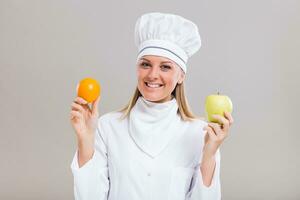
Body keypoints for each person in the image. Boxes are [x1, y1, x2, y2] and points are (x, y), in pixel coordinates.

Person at [69, 12, 234, 200]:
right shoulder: (108, 126)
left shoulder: (201, 133)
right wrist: (85, 139)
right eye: (146, 64)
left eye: (165, 67)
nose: (153, 75)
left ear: (181, 76)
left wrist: (209, 154)